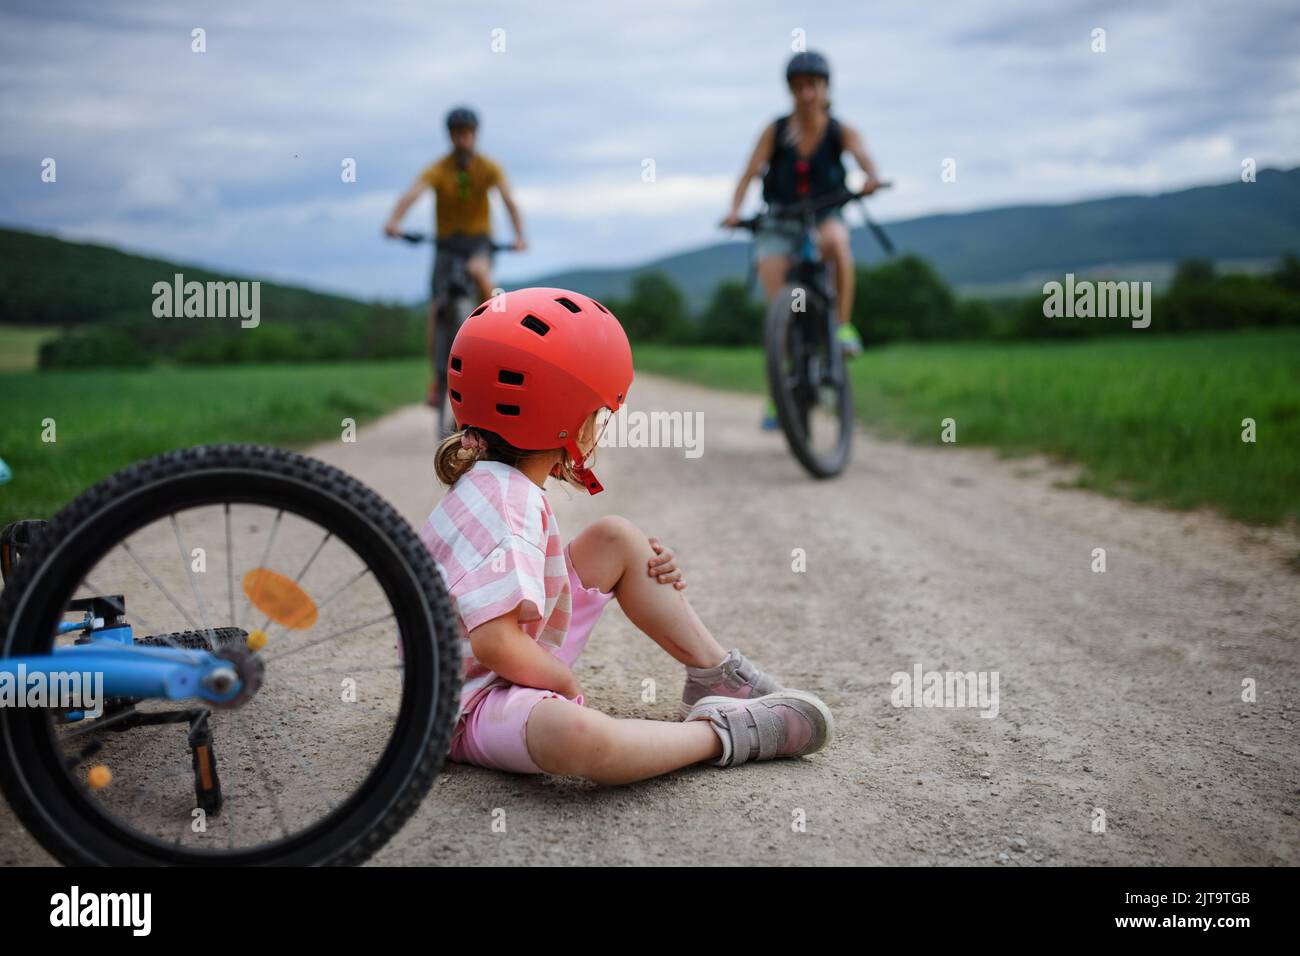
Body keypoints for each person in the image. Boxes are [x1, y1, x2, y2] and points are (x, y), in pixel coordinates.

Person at [419, 286, 835, 782]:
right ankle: (719, 733)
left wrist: (639, 566)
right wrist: (563, 684)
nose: (599, 425)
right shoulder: (510, 503)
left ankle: (715, 675)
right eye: (597, 414)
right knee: (580, 737)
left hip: (494, 662)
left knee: (615, 538)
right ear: (565, 418)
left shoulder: (489, 481)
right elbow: (494, 643)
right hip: (469, 702)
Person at [722, 51, 885, 428]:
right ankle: (778, 392)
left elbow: (865, 159)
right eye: (798, 87)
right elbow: (749, 172)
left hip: (825, 214)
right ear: (790, 91)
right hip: (780, 221)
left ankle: (842, 327)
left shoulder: (840, 130)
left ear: (825, 88)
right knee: (778, 307)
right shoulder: (776, 130)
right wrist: (734, 209)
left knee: (837, 242)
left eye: (813, 85)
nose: (806, 93)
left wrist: (871, 178)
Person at [384, 106, 528, 407]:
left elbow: (509, 200)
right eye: (457, 134)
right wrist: (394, 221)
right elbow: (413, 193)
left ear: (475, 135)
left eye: (467, 133)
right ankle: (437, 380)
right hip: (447, 245)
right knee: (436, 307)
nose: (462, 139)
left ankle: (500, 329)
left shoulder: (488, 167)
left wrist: (519, 236)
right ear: (449, 136)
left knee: (478, 271)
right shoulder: (439, 168)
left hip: (478, 242)